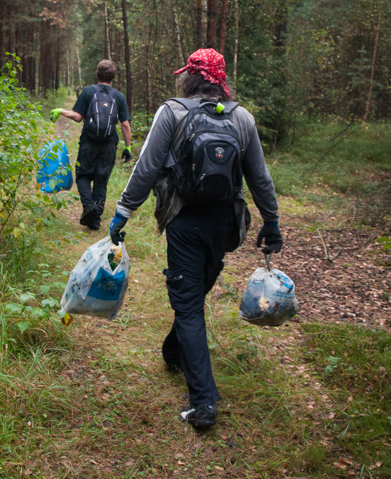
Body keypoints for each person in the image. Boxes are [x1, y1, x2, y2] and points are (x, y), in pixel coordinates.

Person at [107, 48, 283, 429]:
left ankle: (203, 404)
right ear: (221, 80)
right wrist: (271, 221)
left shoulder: (172, 111)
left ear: (190, 77)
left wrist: (122, 212)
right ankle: (175, 351)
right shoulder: (243, 118)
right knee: (192, 296)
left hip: (183, 220)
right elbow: (259, 176)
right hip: (225, 223)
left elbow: (148, 166)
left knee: (189, 304)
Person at [50, 60, 132, 230]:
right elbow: (125, 124)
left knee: (82, 175)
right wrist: (128, 147)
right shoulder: (119, 96)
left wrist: (62, 111)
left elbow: (78, 117)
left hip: (89, 142)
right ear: (113, 77)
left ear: (97, 74)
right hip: (109, 145)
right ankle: (94, 221)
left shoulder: (88, 91)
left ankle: (88, 207)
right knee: (101, 180)